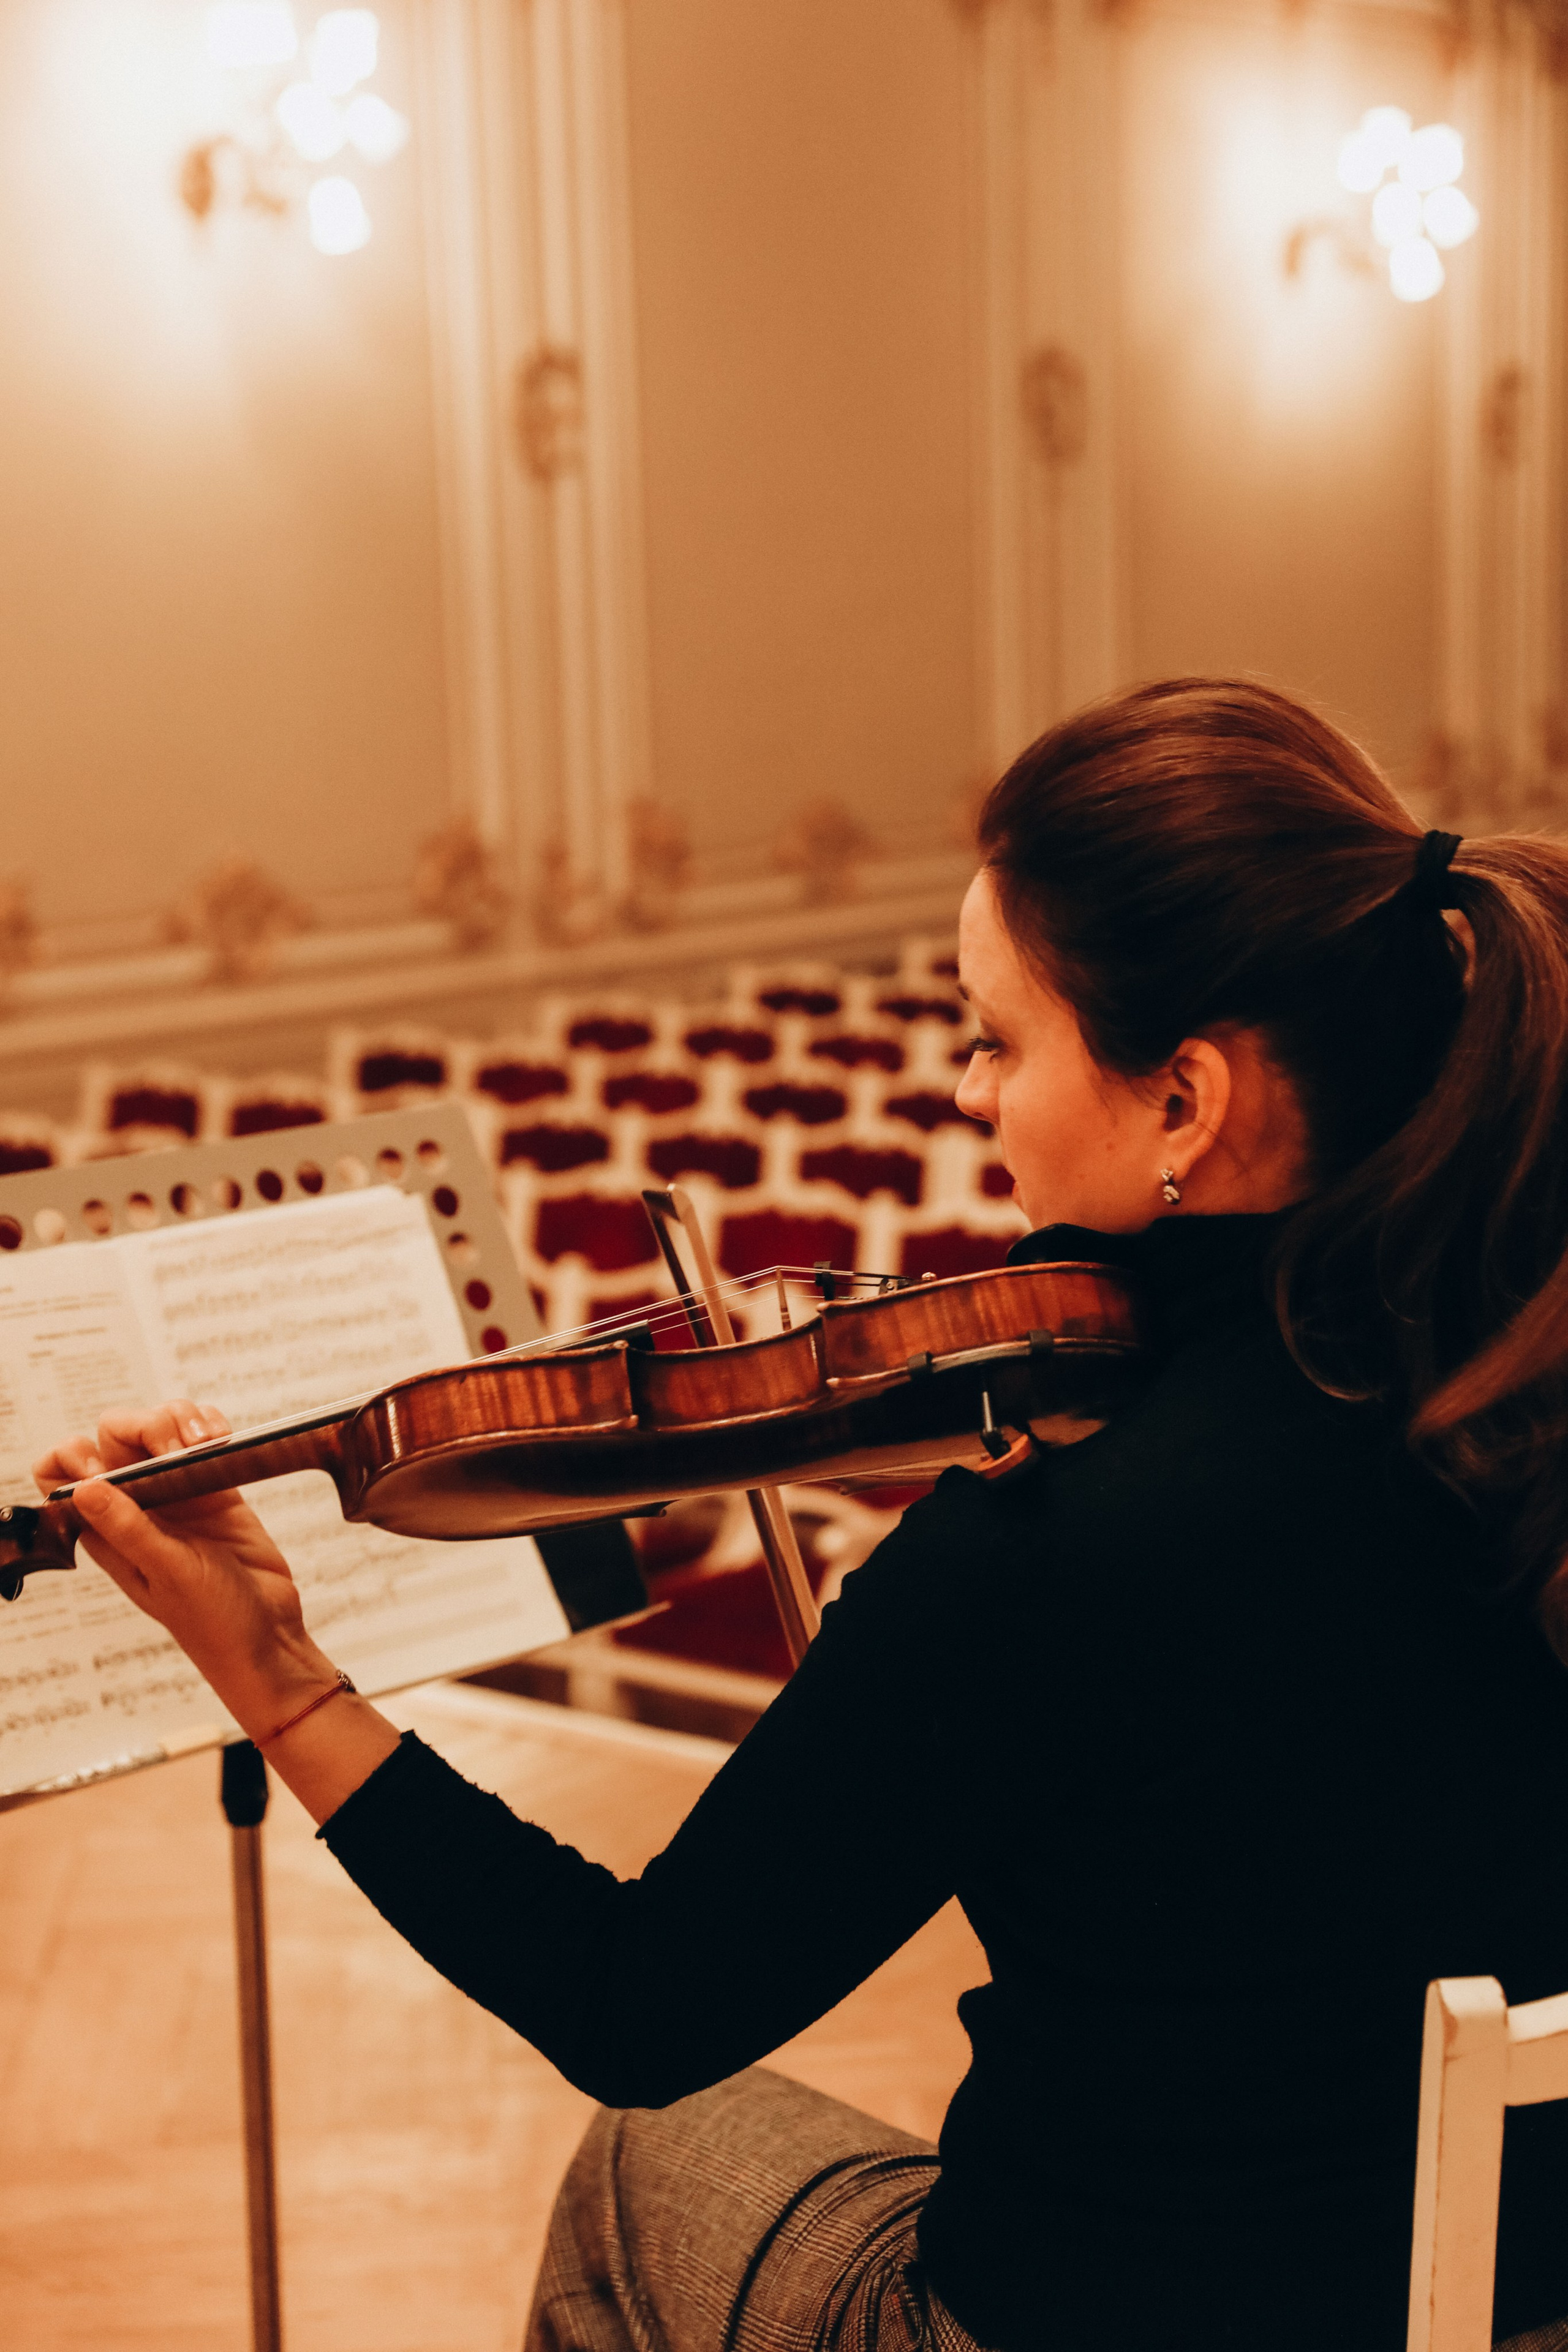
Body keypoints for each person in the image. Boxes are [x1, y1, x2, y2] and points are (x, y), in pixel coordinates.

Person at [36, 678, 1568, 2352]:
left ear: (1184, 1102)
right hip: (1500, 2303)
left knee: (647, 2158)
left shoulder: (1054, 1551)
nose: (969, 1093)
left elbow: (632, 2002)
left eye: (996, 1037)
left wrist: (281, 1677)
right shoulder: (1507, 1391)